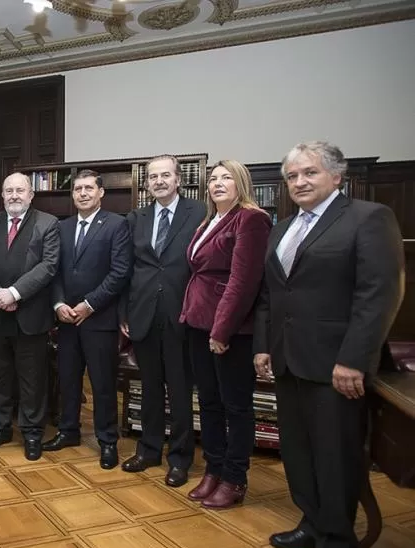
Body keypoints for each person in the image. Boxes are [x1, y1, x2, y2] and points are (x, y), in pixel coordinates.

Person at [254, 142, 403, 548]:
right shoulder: (281, 229)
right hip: (286, 361)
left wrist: (354, 360)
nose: (299, 182)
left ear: (337, 177)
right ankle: (312, 523)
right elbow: (270, 297)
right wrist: (263, 346)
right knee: (297, 452)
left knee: (336, 457)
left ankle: (337, 543)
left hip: (337, 366)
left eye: (309, 173)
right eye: (292, 176)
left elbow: (379, 295)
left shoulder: (369, 219)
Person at [179, 160, 271, 509]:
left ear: (240, 183)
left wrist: (222, 330)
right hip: (197, 324)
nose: (218, 183)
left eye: (226, 178)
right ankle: (213, 469)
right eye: (213, 178)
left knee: (236, 406)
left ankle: (234, 478)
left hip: (230, 329)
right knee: (209, 401)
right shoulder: (209, 220)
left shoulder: (251, 218)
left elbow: (244, 281)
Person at [119, 155, 205, 482]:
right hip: (143, 314)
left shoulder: (198, 212)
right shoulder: (136, 217)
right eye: (153, 177)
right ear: (147, 183)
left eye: (165, 175)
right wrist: (124, 312)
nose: (158, 181)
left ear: (178, 179)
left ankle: (180, 458)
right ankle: (148, 449)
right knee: (150, 387)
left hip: (182, 313)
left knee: (180, 389)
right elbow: (126, 268)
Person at [0, 172, 60, 461]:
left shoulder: (48, 224)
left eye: (20, 190)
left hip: (29, 315)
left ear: (31, 194)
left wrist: (15, 293)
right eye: (9, 190)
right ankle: (0, 427)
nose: (14, 195)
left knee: (32, 379)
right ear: (2, 195)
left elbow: (49, 265)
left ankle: (32, 432)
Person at [43, 170, 132, 466]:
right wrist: (58, 305)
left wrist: (89, 304)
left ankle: (107, 440)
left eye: (88, 188)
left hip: (100, 320)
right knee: (68, 380)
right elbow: (53, 271)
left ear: (100, 193)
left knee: (103, 384)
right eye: (77, 189)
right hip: (67, 321)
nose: (82, 193)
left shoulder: (117, 225)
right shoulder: (62, 227)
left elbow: (120, 272)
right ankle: (68, 431)